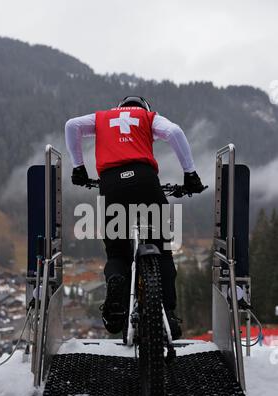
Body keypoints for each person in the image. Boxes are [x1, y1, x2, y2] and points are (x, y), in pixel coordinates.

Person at [65, 96, 205, 338]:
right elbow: (174, 132)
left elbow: (71, 125)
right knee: (162, 249)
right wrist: (190, 174)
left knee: (118, 253)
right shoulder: (148, 118)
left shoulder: (101, 117)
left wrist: (79, 167)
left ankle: (118, 283)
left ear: (119, 108)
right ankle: (168, 316)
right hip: (145, 181)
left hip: (111, 185)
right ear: (146, 109)